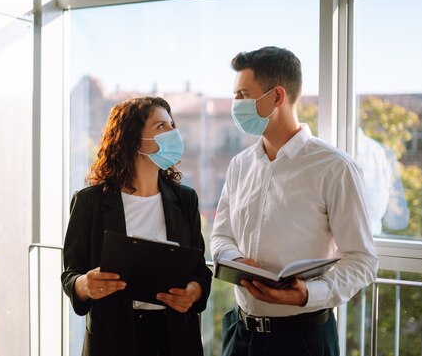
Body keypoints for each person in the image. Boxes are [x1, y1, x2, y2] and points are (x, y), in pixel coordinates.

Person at [210, 46, 378, 356]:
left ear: (276, 96)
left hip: (303, 339)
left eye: (243, 94)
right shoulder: (239, 165)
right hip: (240, 333)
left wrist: (306, 294)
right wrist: (235, 259)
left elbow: (362, 260)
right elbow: (221, 235)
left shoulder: (335, 167)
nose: (235, 105)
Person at [61, 96, 213, 356]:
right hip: (113, 338)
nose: (173, 133)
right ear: (132, 139)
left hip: (175, 338)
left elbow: (200, 271)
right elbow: (70, 275)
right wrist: (86, 284)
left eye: (172, 125)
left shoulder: (185, 199)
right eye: (161, 127)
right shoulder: (90, 202)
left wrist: (193, 292)